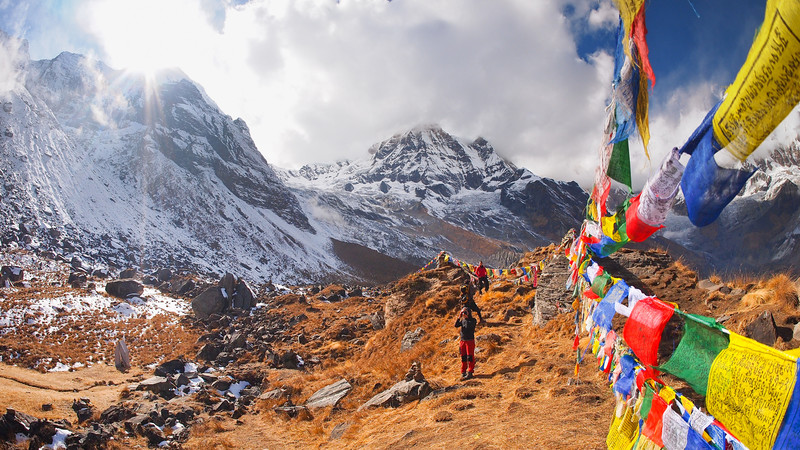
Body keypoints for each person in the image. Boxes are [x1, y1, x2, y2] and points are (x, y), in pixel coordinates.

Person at [455, 307, 477, 380]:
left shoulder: (473, 320)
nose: (464, 314)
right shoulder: (463, 320)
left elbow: (468, 326)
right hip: (463, 341)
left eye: (465, 312)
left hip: (470, 341)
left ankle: (470, 372)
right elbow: (456, 325)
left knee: (470, 357)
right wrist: (459, 317)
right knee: (463, 357)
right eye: (463, 312)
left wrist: (467, 318)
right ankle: (463, 372)